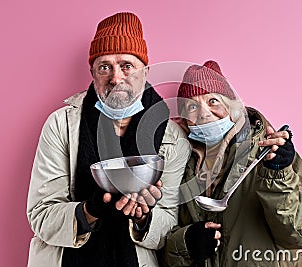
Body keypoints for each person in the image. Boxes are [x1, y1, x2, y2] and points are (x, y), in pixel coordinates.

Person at [26, 12, 190, 267]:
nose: (116, 78)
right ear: (92, 72)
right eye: (105, 67)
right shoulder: (60, 125)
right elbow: (41, 215)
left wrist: (143, 218)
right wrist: (90, 211)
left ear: (145, 71)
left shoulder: (172, 138)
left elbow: (169, 223)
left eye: (127, 65)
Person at [164, 60, 302, 266]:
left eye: (213, 100)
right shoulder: (179, 162)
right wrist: (185, 243)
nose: (204, 113)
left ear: (232, 106)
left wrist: (278, 175)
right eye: (192, 106)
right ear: (184, 118)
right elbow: (163, 244)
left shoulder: (270, 153)